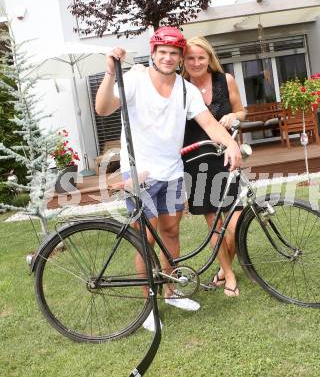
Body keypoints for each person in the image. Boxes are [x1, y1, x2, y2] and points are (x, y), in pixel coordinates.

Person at [95, 27, 241, 330]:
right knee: (144, 239)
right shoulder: (134, 78)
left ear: (179, 57)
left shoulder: (185, 90)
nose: (168, 57)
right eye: (162, 51)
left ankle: (171, 291)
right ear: (154, 52)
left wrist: (231, 143)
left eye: (174, 53)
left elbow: (208, 122)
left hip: (172, 171)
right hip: (139, 172)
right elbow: (103, 107)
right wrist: (110, 73)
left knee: (171, 232)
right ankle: (148, 305)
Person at [182, 36, 246, 297]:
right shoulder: (179, 87)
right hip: (196, 161)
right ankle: (228, 274)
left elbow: (243, 111)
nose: (196, 62)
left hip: (225, 155)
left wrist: (234, 115)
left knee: (236, 223)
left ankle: (223, 267)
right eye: (191, 58)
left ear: (210, 58)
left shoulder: (225, 80)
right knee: (214, 223)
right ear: (183, 61)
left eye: (201, 57)